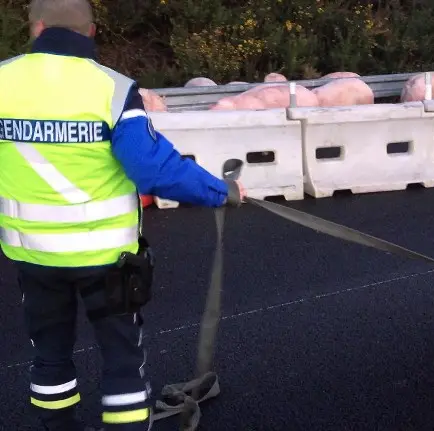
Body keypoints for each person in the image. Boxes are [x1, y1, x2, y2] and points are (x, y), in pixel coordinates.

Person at [0, 0, 246, 430]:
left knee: (49, 357)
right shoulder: (111, 89)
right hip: (106, 260)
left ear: (36, 27)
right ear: (92, 32)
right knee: (122, 362)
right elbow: (153, 169)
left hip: (32, 257)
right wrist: (220, 191)